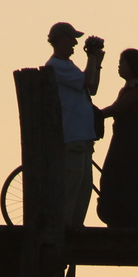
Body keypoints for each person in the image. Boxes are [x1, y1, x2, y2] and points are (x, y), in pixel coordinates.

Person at [45, 22, 104, 228]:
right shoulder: (55, 66)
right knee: (72, 188)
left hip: (83, 138)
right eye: (71, 39)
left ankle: (75, 228)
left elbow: (92, 87)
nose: (75, 43)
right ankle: (66, 229)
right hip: (72, 137)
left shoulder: (68, 66)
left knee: (84, 188)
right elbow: (88, 82)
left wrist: (96, 61)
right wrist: (92, 58)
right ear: (59, 40)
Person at [95, 49, 138, 229]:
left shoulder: (136, 87)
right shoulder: (131, 86)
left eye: (123, 62)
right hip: (126, 136)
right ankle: (121, 219)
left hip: (131, 138)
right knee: (119, 178)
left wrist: (99, 114)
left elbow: (120, 107)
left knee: (122, 178)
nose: (119, 66)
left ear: (133, 65)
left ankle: (125, 221)